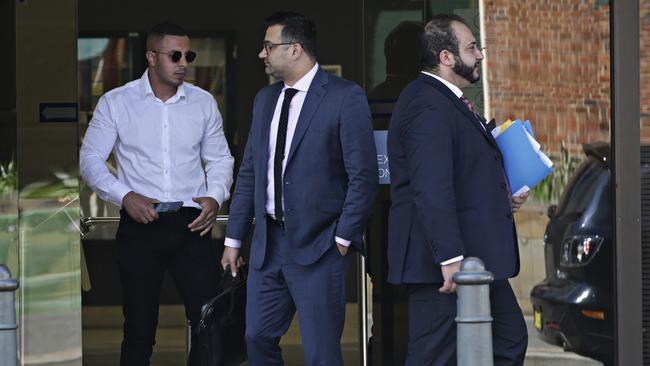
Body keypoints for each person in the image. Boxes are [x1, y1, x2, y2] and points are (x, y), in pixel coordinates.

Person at [221, 11, 378, 365]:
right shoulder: (265, 100)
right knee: (256, 338)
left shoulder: (344, 96)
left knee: (322, 353)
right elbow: (249, 172)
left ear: (295, 49)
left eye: (268, 46)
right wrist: (233, 240)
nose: (262, 54)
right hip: (268, 245)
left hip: (320, 246)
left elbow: (363, 176)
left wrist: (341, 239)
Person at [79, 22, 234, 365]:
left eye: (188, 55)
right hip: (140, 226)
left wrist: (214, 195)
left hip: (192, 225)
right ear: (151, 57)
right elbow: (90, 160)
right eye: (174, 55)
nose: (184, 62)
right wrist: (125, 195)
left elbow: (221, 158)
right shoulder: (116, 103)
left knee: (210, 322)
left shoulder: (203, 103)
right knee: (138, 329)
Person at [387, 14, 529, 366]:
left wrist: (502, 197)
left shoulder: (448, 100)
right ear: (446, 57)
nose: (480, 55)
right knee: (433, 356)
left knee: (508, 340)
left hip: (474, 259)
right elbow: (431, 187)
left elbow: (459, 174)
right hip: (447, 264)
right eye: (471, 48)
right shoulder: (426, 103)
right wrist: (449, 258)